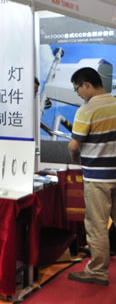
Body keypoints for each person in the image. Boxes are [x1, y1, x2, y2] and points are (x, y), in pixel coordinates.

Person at [66, 67, 116, 287]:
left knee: (97, 225)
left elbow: (74, 146)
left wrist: (76, 158)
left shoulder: (86, 110)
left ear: (86, 85)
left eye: (77, 89)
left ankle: (97, 271)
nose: (78, 94)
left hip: (98, 177)